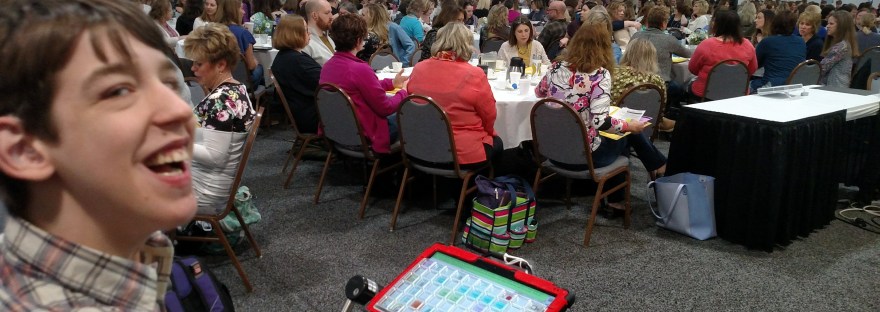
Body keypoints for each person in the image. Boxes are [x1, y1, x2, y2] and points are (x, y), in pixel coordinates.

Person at [0, 0, 196, 309]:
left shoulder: (141, 254)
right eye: (118, 90)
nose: (181, 110)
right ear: (24, 151)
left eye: (168, 83)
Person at [535, 22, 666, 217]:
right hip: (585, 157)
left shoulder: (555, 68)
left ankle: (651, 172)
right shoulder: (600, 75)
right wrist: (629, 125)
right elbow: (600, 123)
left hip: (553, 151)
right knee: (627, 133)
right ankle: (653, 174)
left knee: (622, 132)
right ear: (605, 46)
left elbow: (539, 92)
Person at [184, 23, 256, 215]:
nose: (193, 68)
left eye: (199, 64)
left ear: (221, 64)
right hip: (213, 183)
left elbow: (214, 156)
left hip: (205, 192)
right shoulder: (237, 89)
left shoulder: (221, 100)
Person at [408, 23, 502, 166]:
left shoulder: (418, 68)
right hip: (460, 153)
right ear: (466, 44)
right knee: (498, 143)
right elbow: (489, 116)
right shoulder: (474, 74)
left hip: (421, 147)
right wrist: (489, 133)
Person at [320, 13, 409, 154]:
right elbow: (385, 108)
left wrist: (392, 82)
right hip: (365, 134)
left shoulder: (328, 65)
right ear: (358, 40)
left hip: (340, 131)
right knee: (410, 114)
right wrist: (403, 92)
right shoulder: (359, 69)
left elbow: (366, 85)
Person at [631, 5, 691, 128]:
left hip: (635, 82)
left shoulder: (636, 36)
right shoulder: (669, 39)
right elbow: (687, 54)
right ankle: (662, 116)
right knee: (680, 89)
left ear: (647, 21)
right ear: (664, 23)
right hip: (660, 83)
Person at [687, 9, 758, 100]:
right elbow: (751, 70)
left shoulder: (707, 44)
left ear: (717, 25)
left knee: (686, 86)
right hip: (737, 95)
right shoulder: (748, 45)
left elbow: (693, 69)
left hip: (706, 95)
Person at [272, 15, 321, 134]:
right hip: (313, 117)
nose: (309, 33)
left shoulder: (285, 56)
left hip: (303, 113)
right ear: (295, 34)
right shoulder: (297, 61)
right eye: (306, 30)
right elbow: (326, 84)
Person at [751, 10, 805, 92]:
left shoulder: (768, 42)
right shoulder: (801, 41)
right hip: (794, 86)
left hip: (771, 86)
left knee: (742, 86)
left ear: (774, 23)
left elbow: (754, 64)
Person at [214, 0, 264, 86]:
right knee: (260, 68)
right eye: (241, 8)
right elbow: (251, 66)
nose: (244, 12)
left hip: (217, 80)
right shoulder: (243, 33)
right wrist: (257, 63)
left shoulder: (212, 30)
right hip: (241, 82)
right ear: (234, 11)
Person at [611, 38, 667, 104]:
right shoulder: (658, 81)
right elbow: (661, 107)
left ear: (627, 54)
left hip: (617, 113)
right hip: (649, 113)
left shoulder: (614, 74)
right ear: (652, 58)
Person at [820, 10, 858, 87]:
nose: (827, 26)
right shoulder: (845, 43)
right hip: (838, 85)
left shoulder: (841, 47)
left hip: (834, 88)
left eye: (831, 24)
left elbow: (822, 68)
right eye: (828, 23)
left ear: (841, 26)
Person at [303, 0, 336, 65]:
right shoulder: (306, 43)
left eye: (331, 12)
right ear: (314, 15)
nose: (331, 16)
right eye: (327, 13)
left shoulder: (327, 37)